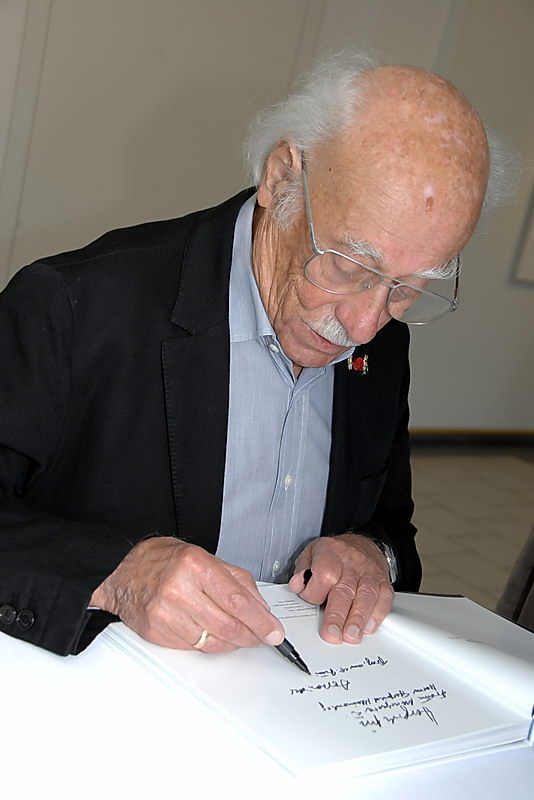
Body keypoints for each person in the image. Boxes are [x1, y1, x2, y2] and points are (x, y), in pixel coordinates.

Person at [0, 54, 494, 657]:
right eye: (348, 266)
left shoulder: (383, 333)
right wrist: (117, 574)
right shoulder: (74, 306)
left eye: (412, 287)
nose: (364, 326)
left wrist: (371, 556)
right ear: (282, 177)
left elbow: (391, 529)